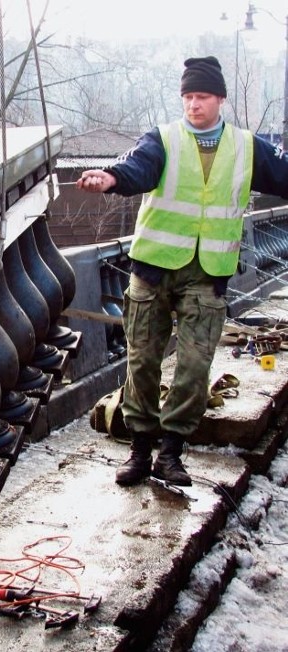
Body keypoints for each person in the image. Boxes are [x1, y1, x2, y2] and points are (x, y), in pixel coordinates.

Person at [76, 55, 288, 487]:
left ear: (221, 99)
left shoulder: (248, 147)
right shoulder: (164, 139)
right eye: (188, 96)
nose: (194, 104)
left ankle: (171, 454)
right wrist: (111, 178)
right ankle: (139, 451)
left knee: (194, 366)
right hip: (152, 271)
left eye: (202, 96)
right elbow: (136, 167)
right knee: (142, 363)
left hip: (208, 275)